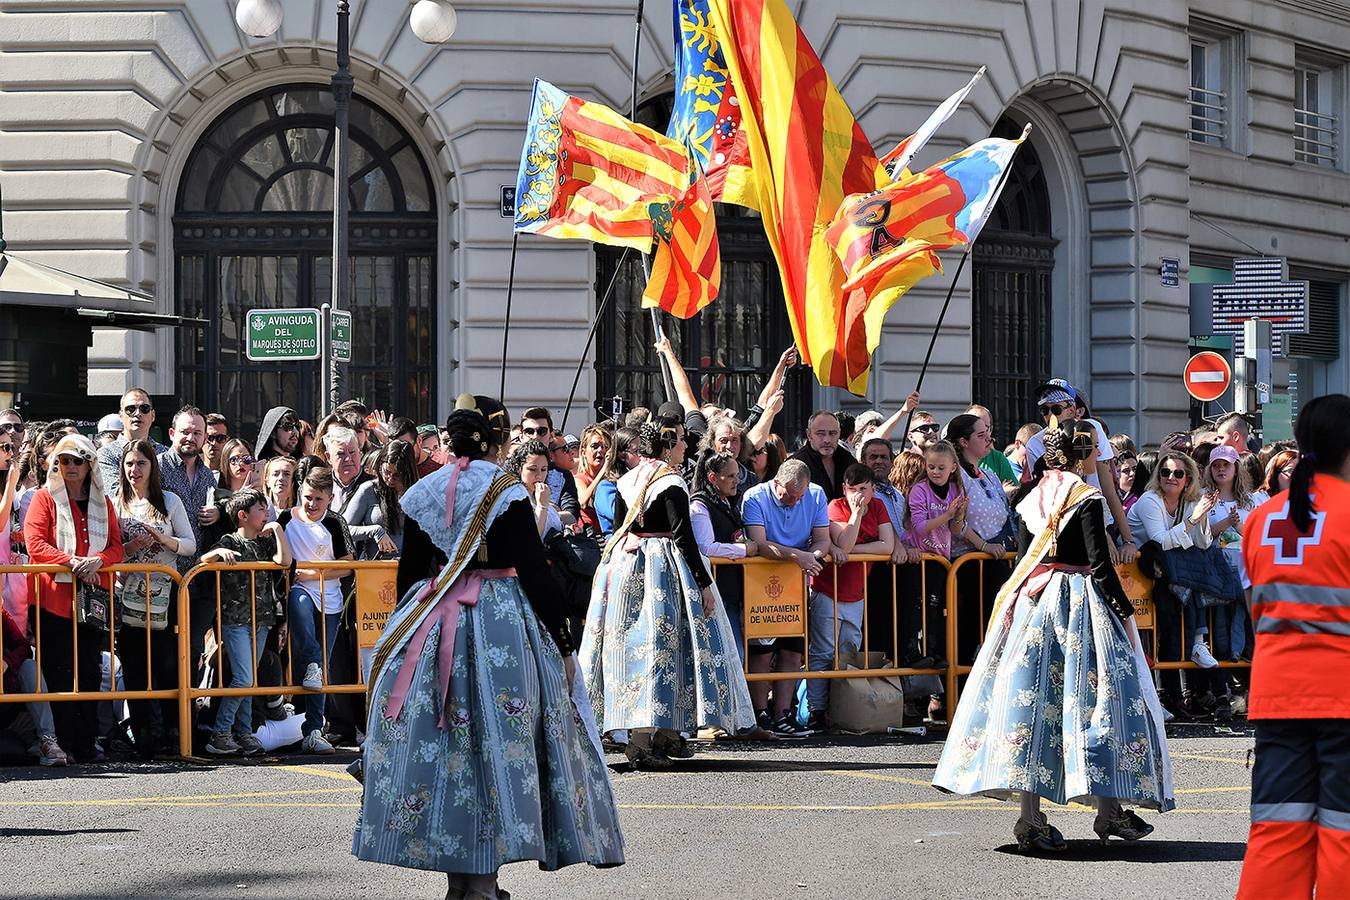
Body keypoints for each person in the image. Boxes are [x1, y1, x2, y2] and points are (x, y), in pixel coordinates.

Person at [355, 404, 624, 896]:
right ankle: (482, 884)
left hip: (433, 620)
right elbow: (536, 575)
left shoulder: (422, 493)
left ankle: (463, 880)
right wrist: (564, 645)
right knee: (499, 743)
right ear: (492, 445)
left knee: (446, 746)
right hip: (501, 623)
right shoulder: (506, 491)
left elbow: (411, 574)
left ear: (447, 445)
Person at [934, 420, 1174, 851]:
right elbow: (1100, 564)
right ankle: (1109, 807)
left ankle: (1031, 817)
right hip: (1081, 604)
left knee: (1033, 708)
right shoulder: (1086, 497)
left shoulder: (1031, 493)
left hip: (1034, 601)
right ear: (1084, 456)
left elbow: (1028, 553)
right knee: (1103, 705)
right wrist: (1123, 612)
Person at [583, 424, 752, 767]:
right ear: (668, 447)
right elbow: (683, 536)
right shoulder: (670, 482)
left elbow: (620, 529)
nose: (686, 446)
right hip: (662, 568)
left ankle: (664, 733)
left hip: (628, 564)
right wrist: (704, 584)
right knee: (662, 649)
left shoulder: (629, 479)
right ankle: (644, 741)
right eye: (682, 442)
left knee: (633, 650)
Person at [1236, 394, 1350, 900]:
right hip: (1342, 695)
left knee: (1277, 832)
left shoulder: (1261, 520)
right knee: (1344, 834)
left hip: (1277, 695)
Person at [23, 434, 124, 762]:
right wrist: (74, 563)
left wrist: (99, 561)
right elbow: (34, 542)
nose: (69, 466)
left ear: (90, 464)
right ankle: (64, 742)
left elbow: (117, 546)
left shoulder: (103, 502)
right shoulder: (44, 498)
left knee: (91, 672)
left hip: (91, 601)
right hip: (53, 600)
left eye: (77, 460)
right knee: (59, 671)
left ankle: (87, 741)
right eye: (64, 460)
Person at [1127, 450, 1228, 718]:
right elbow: (1160, 541)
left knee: (1172, 628)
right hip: (1139, 571)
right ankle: (1194, 646)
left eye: (1178, 473)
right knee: (1150, 638)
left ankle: (1196, 644)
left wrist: (1202, 515)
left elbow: (1203, 542)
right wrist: (1193, 520)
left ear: (1188, 479)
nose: (1170, 477)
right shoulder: (1151, 500)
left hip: (1167, 574)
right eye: (1165, 472)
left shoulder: (1188, 501)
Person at [114, 440, 197, 758]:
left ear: (152, 467)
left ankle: (174, 734)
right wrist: (132, 548)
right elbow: (111, 551)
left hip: (167, 590)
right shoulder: (117, 503)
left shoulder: (170, 501)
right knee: (135, 665)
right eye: (130, 464)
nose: (135, 470)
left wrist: (164, 539)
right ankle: (144, 735)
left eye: (141, 463)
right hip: (130, 592)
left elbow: (190, 545)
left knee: (166, 663)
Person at [741, 459, 833, 737]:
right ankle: (761, 713)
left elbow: (822, 539)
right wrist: (799, 556)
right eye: (788, 495)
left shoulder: (815, 494)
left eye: (799, 497)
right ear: (776, 483)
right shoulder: (754, 497)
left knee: (793, 650)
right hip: (761, 581)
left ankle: (783, 714)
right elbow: (759, 542)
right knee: (762, 649)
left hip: (796, 582)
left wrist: (814, 558)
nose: (793, 501)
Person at [199, 488, 292, 757]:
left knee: (248, 680)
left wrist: (276, 528)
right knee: (244, 678)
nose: (265, 515)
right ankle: (221, 732)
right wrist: (220, 554)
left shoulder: (264, 542)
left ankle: (243, 733)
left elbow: (284, 561)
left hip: (261, 620)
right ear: (243, 515)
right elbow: (203, 560)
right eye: (261, 510)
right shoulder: (230, 540)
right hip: (235, 620)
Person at [806, 463, 895, 730]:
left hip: (856, 594)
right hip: (827, 591)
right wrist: (855, 515)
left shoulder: (878, 506)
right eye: (852, 489)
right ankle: (816, 710)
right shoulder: (835, 506)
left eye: (864, 490)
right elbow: (842, 543)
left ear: (873, 489)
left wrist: (855, 548)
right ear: (844, 488)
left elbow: (887, 546)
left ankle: (842, 706)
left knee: (848, 652)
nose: (858, 495)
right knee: (822, 653)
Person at [279, 467, 355, 754]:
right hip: (299, 591)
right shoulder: (287, 518)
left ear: (330, 499)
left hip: (330, 598)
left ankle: (313, 729)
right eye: (308, 497)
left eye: (318, 499)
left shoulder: (335, 523)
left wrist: (310, 574)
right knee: (301, 614)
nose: (312, 504)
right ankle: (311, 723)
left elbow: (348, 564)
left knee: (317, 670)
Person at [1023, 380, 1138, 563]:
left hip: (1095, 513)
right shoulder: (1036, 444)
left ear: (1072, 409)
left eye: (1056, 409)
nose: (1050, 415)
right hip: (1061, 523)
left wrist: (1127, 540)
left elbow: (1108, 487)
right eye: (1045, 410)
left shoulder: (1091, 430)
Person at [946, 415, 1014, 665]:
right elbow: (956, 522)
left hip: (996, 560)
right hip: (969, 564)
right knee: (970, 629)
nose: (989, 440)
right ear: (963, 441)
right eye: (981, 435)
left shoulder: (989, 475)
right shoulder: (956, 477)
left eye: (989, 434)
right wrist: (983, 545)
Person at [689, 451, 760, 659]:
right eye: (730, 476)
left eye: (737, 475)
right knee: (730, 655)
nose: (736, 481)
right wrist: (744, 550)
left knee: (737, 656)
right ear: (713, 477)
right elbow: (707, 548)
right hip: (715, 595)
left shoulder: (728, 502)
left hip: (732, 593)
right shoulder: (699, 506)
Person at [3, 605, 68, 766]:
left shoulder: (1, 614)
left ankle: (47, 740)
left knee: (30, 666)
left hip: (6, 700)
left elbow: (23, 646)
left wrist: (7, 662)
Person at [157, 406, 219, 567]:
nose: (190, 438)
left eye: (197, 433)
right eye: (185, 432)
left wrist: (217, 513)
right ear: (172, 434)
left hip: (198, 569)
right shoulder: (156, 467)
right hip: (164, 569)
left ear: (205, 438)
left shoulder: (208, 475)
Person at [343, 440, 418, 559]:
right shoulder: (368, 490)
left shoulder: (419, 492)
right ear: (380, 465)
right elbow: (342, 530)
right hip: (376, 568)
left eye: (397, 475)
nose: (390, 478)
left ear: (408, 473)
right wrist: (374, 531)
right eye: (387, 472)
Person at [97, 388, 168, 499]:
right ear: (121, 416)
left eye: (144, 408)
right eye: (131, 409)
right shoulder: (105, 454)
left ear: (153, 415)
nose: (138, 413)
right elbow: (116, 494)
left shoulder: (165, 453)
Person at [518, 406, 580, 526]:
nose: (535, 436)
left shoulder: (563, 476)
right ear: (521, 437)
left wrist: (544, 510)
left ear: (551, 436)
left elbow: (572, 516)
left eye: (541, 431)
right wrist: (550, 509)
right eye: (529, 431)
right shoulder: (507, 471)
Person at [792, 411, 855, 500]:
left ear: (839, 434)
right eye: (820, 434)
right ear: (809, 435)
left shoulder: (848, 460)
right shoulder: (796, 463)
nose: (827, 440)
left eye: (832, 433)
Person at [505, 440, 562, 538]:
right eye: (532, 469)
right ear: (519, 469)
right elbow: (532, 538)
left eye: (543, 469)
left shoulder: (542, 496)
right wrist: (542, 506)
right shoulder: (515, 498)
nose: (539, 475)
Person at [574, 423, 613, 535]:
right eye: (595, 446)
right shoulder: (579, 479)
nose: (600, 450)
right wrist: (604, 469)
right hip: (591, 539)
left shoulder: (613, 480)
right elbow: (582, 502)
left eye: (605, 447)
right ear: (583, 452)